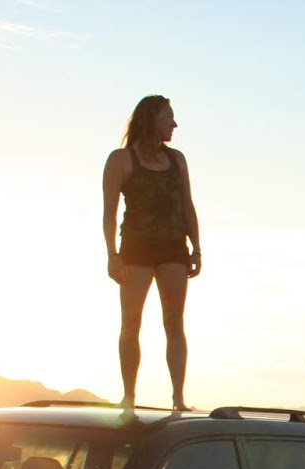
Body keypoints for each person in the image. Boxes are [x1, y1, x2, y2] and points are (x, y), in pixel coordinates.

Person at [103, 94, 202, 413]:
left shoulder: (177, 160)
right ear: (150, 119)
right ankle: (128, 396)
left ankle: (178, 398)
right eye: (168, 117)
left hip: (174, 248)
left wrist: (196, 247)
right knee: (131, 323)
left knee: (174, 322)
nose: (174, 124)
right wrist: (112, 255)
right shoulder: (121, 160)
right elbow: (109, 213)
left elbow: (187, 205)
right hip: (135, 250)